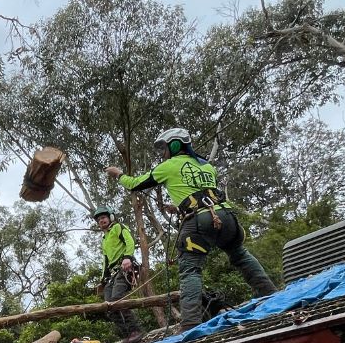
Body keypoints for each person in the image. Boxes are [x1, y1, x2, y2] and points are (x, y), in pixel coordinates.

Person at [104, 127, 277, 332]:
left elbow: (135, 184)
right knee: (239, 254)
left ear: (175, 145)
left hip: (199, 221)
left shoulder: (169, 166)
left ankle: (191, 323)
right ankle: (269, 293)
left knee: (190, 269)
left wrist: (118, 174)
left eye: (165, 148)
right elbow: (203, 194)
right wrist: (178, 208)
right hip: (227, 218)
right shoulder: (207, 165)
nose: (163, 153)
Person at [93, 206, 144, 343]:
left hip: (125, 268)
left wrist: (127, 257)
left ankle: (135, 331)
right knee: (108, 306)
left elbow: (130, 241)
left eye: (103, 217)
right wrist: (102, 280)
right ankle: (127, 335)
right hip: (112, 273)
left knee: (117, 299)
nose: (101, 221)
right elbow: (105, 260)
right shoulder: (104, 239)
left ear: (111, 217)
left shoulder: (118, 227)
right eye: (99, 219)